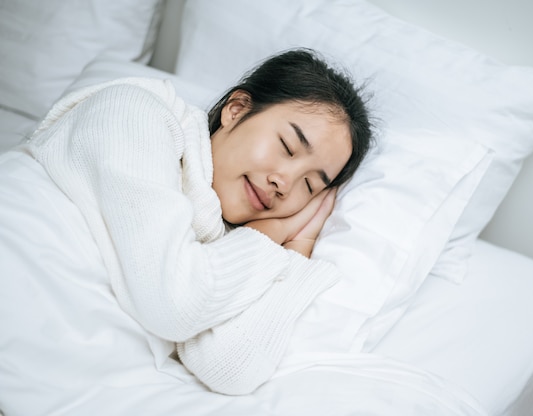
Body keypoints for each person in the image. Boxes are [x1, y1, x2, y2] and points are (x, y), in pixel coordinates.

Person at [19, 48, 373, 395]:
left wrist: (297, 249)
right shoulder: (135, 111)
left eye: (310, 185)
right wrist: (275, 232)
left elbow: (230, 369)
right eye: (287, 147)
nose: (285, 183)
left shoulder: (222, 246)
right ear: (236, 110)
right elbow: (173, 307)